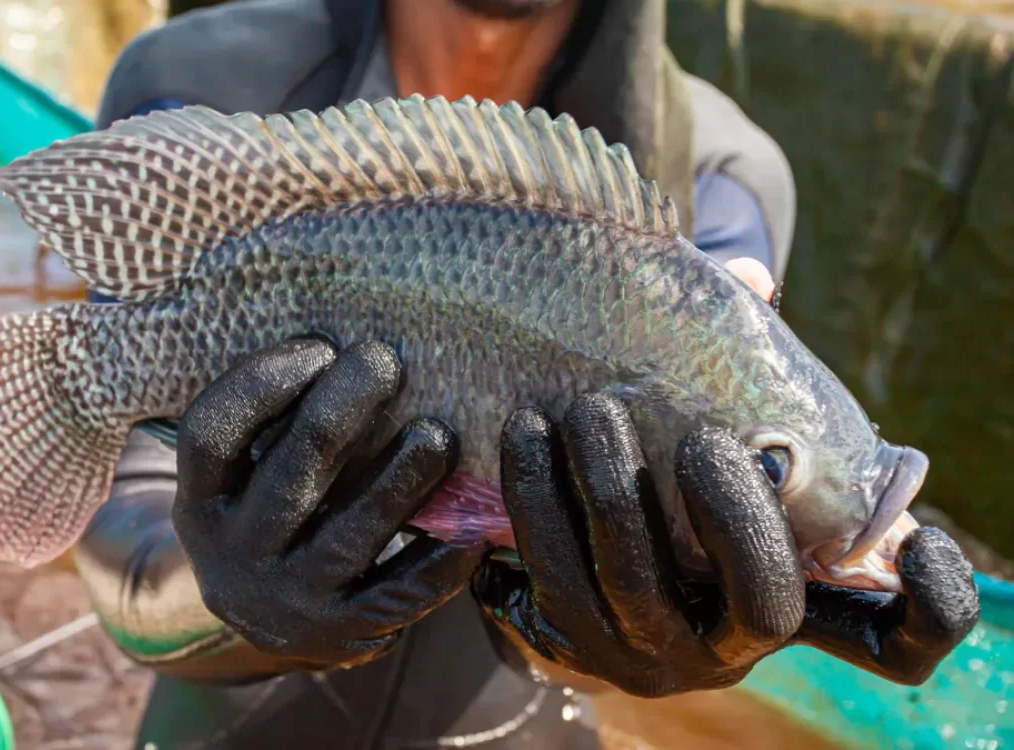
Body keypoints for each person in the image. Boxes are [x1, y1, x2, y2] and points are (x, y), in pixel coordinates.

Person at [73, 1, 980, 747]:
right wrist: (223, 587)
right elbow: (101, 493)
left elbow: (713, 482)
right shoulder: (197, 81)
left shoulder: (726, 175)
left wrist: (669, 632)